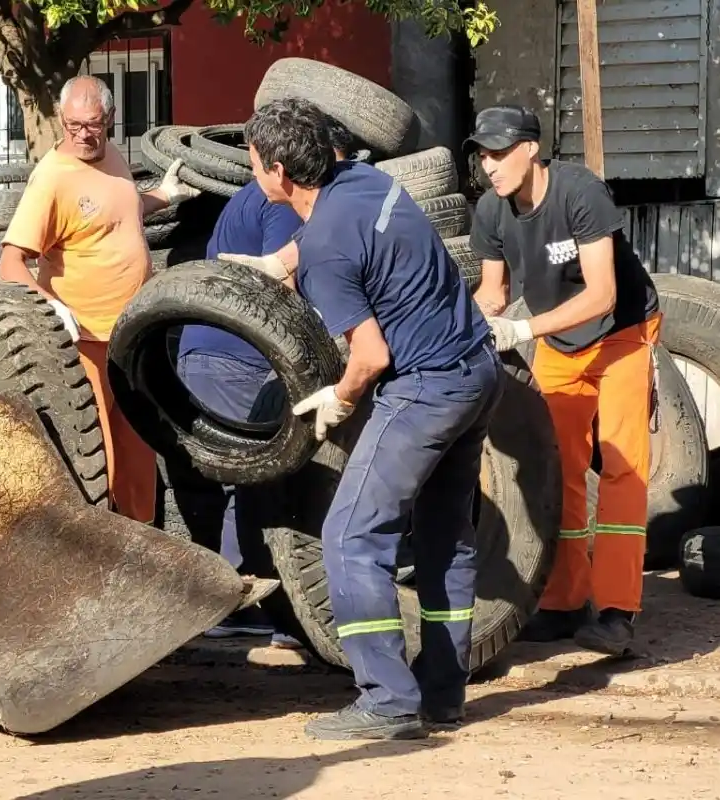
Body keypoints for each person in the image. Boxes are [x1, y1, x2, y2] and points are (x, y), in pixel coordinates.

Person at [241, 97, 504, 740]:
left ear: (279, 172)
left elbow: (371, 354)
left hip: (426, 389)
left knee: (351, 535)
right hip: (477, 370)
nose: (251, 174)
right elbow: (331, 233)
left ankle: (385, 700)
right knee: (446, 538)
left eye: (253, 164)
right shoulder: (363, 180)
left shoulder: (328, 252)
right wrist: (282, 264)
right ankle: (442, 696)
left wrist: (340, 399)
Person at [464, 104, 662, 655]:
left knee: (622, 465)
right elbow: (493, 292)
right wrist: (477, 320)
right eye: (482, 154)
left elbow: (603, 295)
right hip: (560, 340)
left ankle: (618, 611)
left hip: (623, 330)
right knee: (560, 469)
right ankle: (563, 602)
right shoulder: (491, 210)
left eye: (499, 152)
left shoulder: (580, 192)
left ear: (531, 148)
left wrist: (522, 329)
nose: (489, 165)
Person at [177, 119, 362, 647]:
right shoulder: (281, 204)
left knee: (220, 475)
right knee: (267, 475)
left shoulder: (245, 197)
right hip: (239, 358)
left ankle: (217, 598)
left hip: (200, 350)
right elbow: (288, 280)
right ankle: (253, 603)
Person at [0, 75, 200, 524]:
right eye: (72, 126)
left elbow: (115, 212)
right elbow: (10, 263)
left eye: (92, 124)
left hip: (131, 338)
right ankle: (101, 561)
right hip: (86, 345)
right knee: (97, 458)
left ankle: (141, 549)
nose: (82, 135)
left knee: (137, 456)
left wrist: (162, 197)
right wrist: (48, 306)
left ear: (109, 118)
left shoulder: (111, 156)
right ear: (61, 121)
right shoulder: (52, 179)